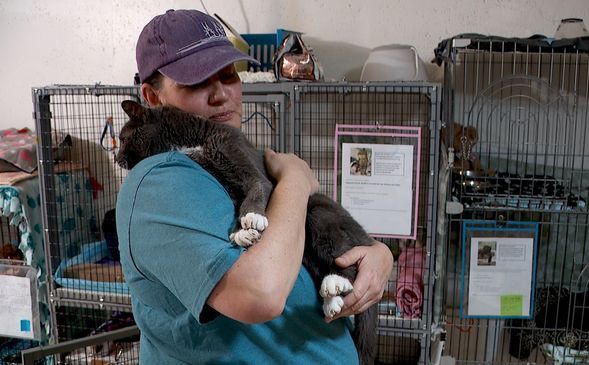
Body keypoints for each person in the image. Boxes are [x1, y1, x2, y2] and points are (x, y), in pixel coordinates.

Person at [116, 9, 394, 364]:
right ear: (151, 98)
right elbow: (260, 294)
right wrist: (295, 179)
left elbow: (296, 236)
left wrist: (377, 255)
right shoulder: (158, 179)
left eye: (229, 75)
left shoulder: (225, 155)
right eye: (196, 81)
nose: (221, 95)